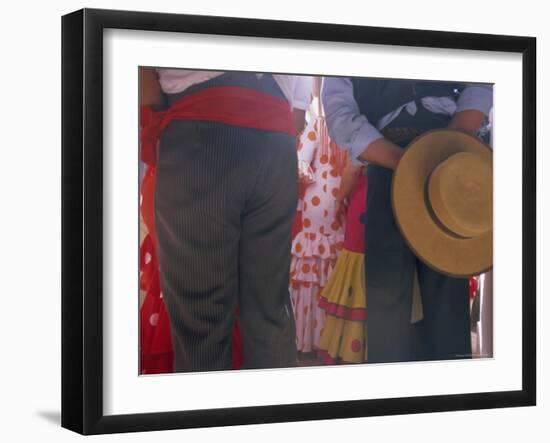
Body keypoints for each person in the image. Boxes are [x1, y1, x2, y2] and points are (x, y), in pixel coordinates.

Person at [141, 69, 311, 372]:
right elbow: (298, 115)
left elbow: (142, 77)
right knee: (270, 315)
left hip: (200, 126)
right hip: (275, 139)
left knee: (201, 328)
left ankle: (209, 416)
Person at [322, 77, 492, 363]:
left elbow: (483, 84)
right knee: (388, 306)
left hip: (447, 166)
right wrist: (416, 162)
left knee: (447, 302)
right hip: (395, 163)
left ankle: (450, 399)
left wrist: (439, 158)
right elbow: (341, 116)